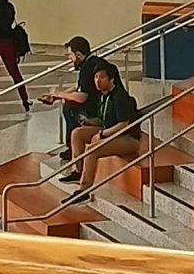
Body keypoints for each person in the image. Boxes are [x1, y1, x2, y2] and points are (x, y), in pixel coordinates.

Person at [64, 63, 143, 201]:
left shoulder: (119, 96)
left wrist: (102, 134)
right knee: (77, 133)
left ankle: (84, 189)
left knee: (92, 150)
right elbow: (104, 120)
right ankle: (77, 170)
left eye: (102, 77)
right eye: (95, 77)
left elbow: (123, 125)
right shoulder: (102, 96)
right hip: (110, 131)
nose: (97, 81)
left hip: (128, 138)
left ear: (111, 79)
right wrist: (89, 122)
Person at [42, 38, 100, 148]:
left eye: (70, 55)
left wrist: (59, 94)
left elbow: (82, 97)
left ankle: (72, 146)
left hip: (98, 106)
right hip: (98, 101)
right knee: (69, 101)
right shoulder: (91, 63)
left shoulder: (87, 68)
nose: (69, 58)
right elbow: (79, 87)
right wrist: (55, 96)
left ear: (78, 55)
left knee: (69, 107)